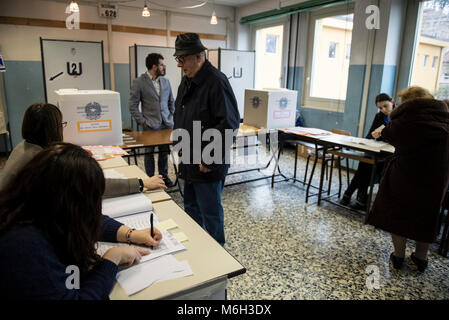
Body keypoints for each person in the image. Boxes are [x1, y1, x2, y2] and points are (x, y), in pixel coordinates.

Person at [0, 142, 162, 299]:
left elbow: (82, 218)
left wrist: (130, 234)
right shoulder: (25, 246)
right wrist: (112, 259)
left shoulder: (33, 207)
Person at [365, 86, 449, 272]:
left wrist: (384, 132)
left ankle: (399, 256)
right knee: (427, 216)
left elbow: (389, 134)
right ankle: (421, 258)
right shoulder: (445, 119)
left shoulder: (406, 121)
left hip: (407, 176)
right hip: (437, 178)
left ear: (410, 103)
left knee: (398, 213)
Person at [0, 103, 166, 195]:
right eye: (61, 125)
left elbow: (52, 148)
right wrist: (142, 183)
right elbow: (91, 185)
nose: (62, 129)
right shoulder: (43, 163)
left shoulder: (24, 146)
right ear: (51, 130)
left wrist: (75, 152)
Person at [172, 33, 240, 246]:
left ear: (199, 56)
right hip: (189, 159)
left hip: (206, 163)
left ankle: (218, 254)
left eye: (183, 59)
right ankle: (198, 248)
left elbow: (229, 123)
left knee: (210, 212)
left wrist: (210, 159)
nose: (179, 64)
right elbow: (180, 115)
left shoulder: (216, 82)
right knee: (191, 208)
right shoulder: (187, 81)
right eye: (178, 59)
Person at [340, 93, 396, 210]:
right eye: (380, 108)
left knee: (364, 165)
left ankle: (350, 194)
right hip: (378, 151)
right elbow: (370, 135)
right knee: (365, 163)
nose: (383, 110)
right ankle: (360, 199)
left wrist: (383, 134)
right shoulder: (379, 116)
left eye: (386, 106)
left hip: (390, 155)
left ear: (393, 102)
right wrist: (373, 135)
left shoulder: (399, 117)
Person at [129, 53, 175, 187]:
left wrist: (171, 116)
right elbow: (132, 105)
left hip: (166, 124)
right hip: (150, 125)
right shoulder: (139, 82)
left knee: (164, 153)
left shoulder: (166, 81)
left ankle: (164, 176)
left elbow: (172, 101)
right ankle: (150, 179)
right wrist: (142, 121)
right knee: (149, 154)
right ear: (154, 66)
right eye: (161, 64)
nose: (163, 67)